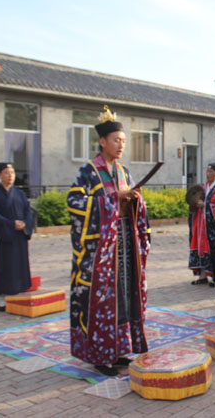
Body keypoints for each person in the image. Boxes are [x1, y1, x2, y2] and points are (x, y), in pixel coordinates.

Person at [67, 106, 150, 377]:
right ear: (102, 141)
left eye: (124, 141)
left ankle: (120, 349)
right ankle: (100, 355)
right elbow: (75, 202)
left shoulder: (124, 171)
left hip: (124, 243)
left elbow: (133, 200)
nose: (120, 145)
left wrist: (136, 201)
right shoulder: (89, 171)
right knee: (102, 299)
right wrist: (114, 200)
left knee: (125, 294)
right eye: (116, 140)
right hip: (100, 253)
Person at [0, 163, 34, 311]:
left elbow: (28, 212)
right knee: (5, 267)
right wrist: (10, 224)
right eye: (6, 172)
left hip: (20, 236)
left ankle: (18, 298)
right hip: (6, 237)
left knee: (19, 266)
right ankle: (2, 301)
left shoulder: (20, 194)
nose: (10, 175)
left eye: (12, 172)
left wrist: (25, 224)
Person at [188, 163, 215, 287]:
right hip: (201, 224)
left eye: (211, 172)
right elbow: (193, 200)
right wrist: (195, 203)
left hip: (213, 226)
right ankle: (203, 275)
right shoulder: (203, 187)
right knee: (200, 248)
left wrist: (205, 204)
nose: (208, 174)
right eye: (207, 171)